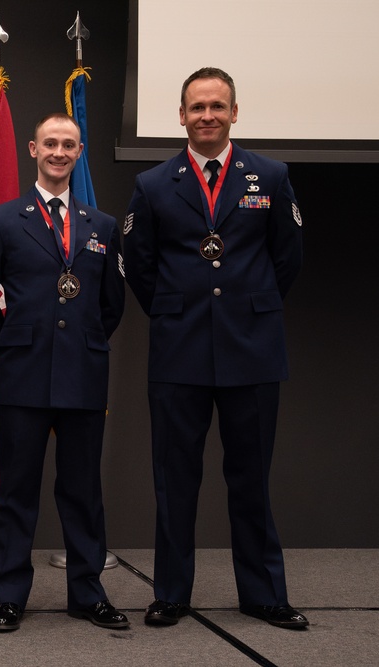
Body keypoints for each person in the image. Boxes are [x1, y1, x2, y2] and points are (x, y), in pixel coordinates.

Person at [123, 67, 308, 629]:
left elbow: (288, 257)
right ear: (180, 116)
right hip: (179, 352)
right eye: (196, 107)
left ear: (234, 113)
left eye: (217, 106)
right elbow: (140, 264)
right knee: (175, 479)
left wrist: (246, 307)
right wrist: (179, 311)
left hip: (251, 349)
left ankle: (264, 594)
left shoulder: (270, 177)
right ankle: (172, 593)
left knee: (250, 477)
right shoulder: (154, 184)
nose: (207, 115)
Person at [0, 113, 126, 632]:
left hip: (82, 374)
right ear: (32, 149)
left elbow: (111, 306)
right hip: (24, 374)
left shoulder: (101, 225)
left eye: (69, 145)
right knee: (17, 491)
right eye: (50, 143)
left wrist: (82, 345)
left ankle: (88, 593)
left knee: (82, 491)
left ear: (80, 152)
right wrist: (13, 350)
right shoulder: (2, 220)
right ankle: (9, 595)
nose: (59, 152)